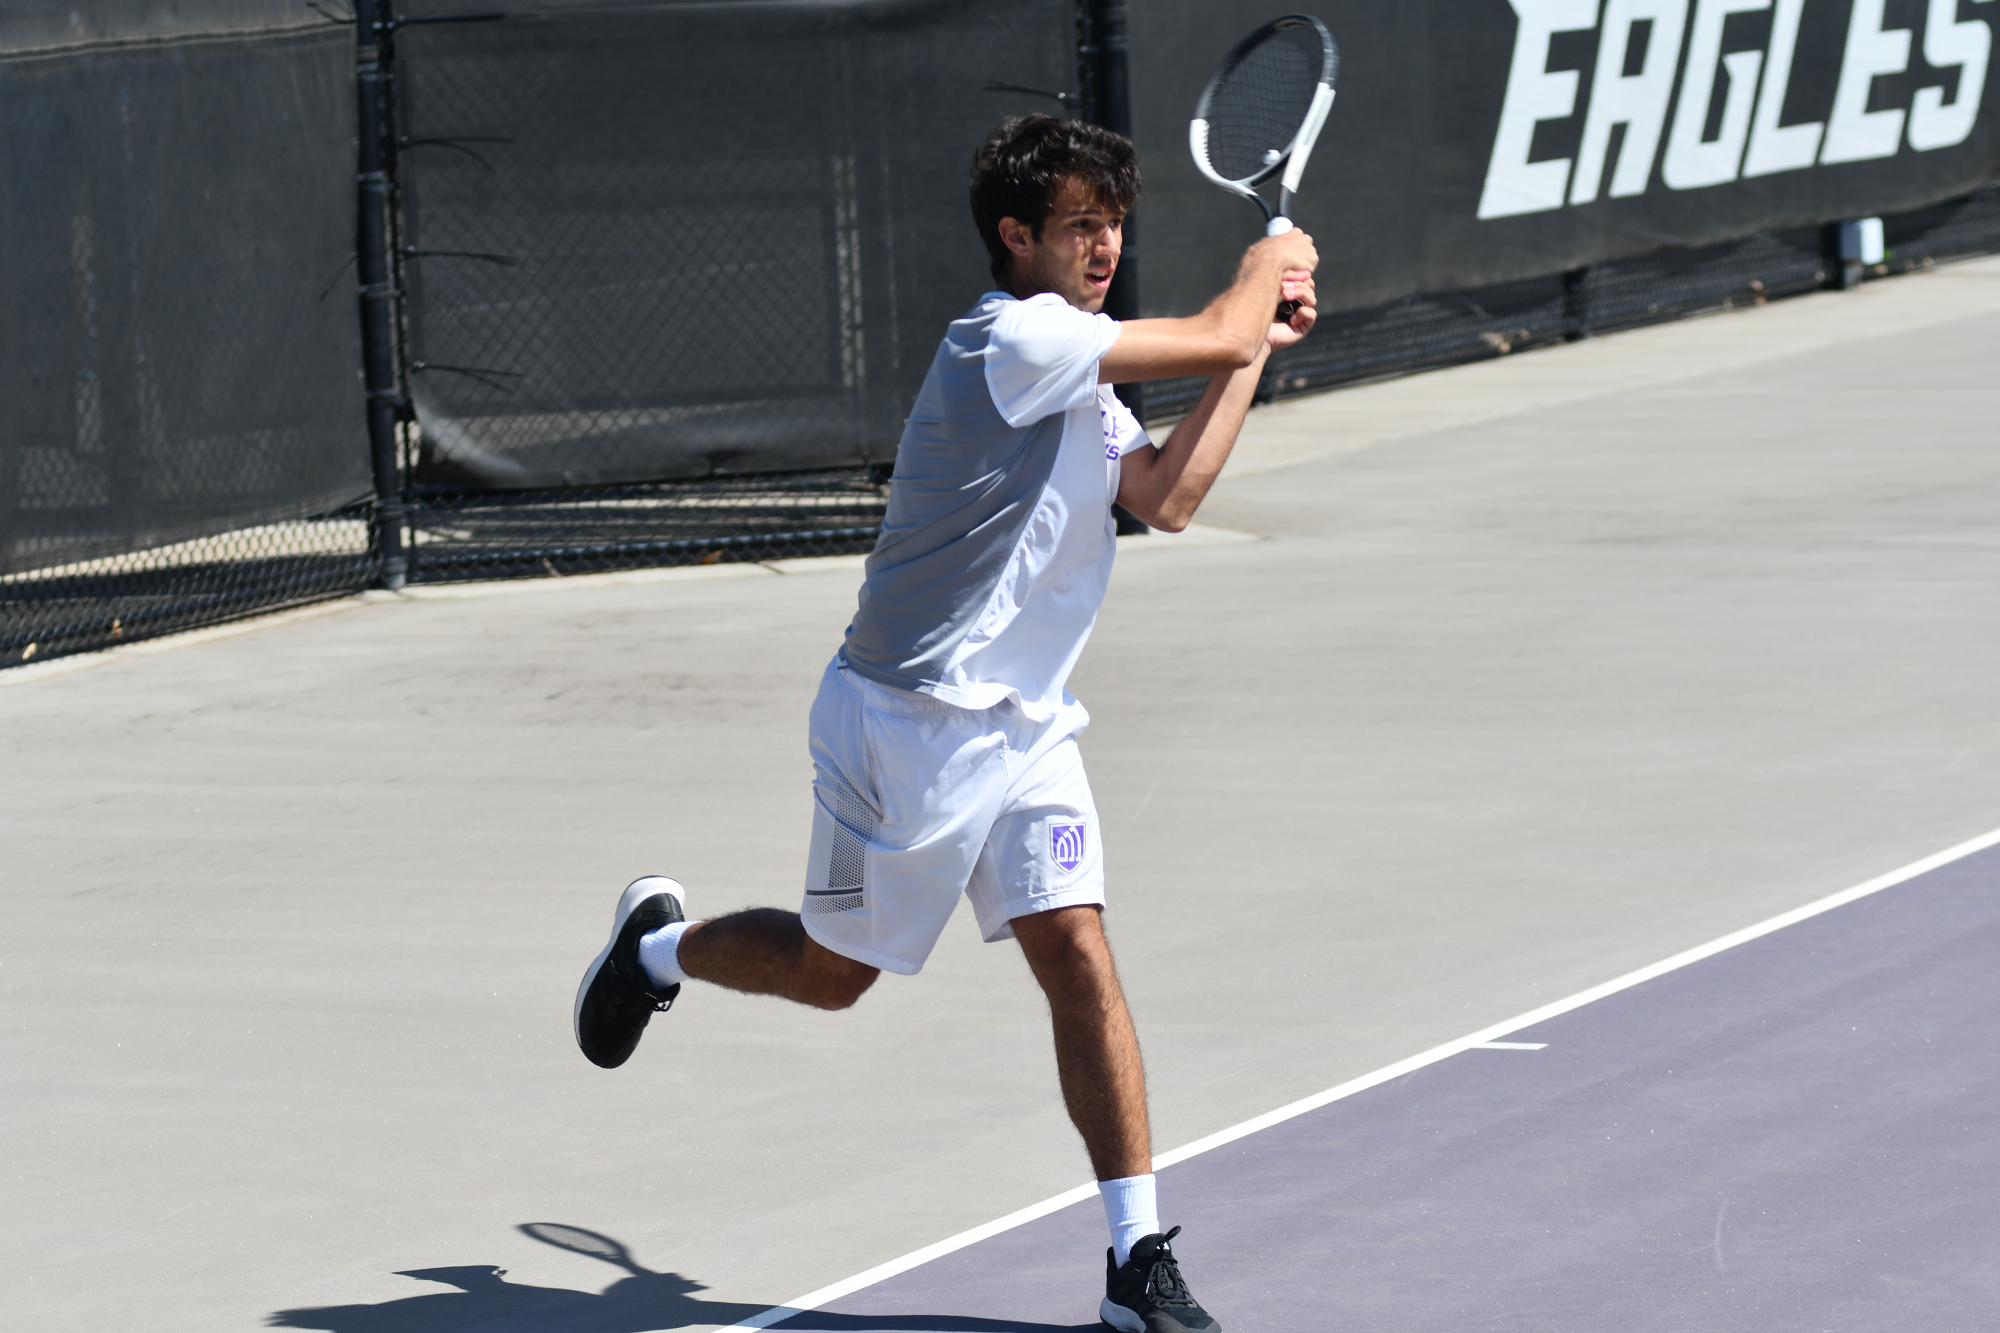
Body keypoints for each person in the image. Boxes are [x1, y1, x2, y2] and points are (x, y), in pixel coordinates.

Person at [573, 113, 1316, 1333]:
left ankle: (1138, 1260)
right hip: (901, 725)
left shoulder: (1075, 350)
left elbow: (1164, 495)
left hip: (1025, 727)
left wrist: (1249, 356)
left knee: (1076, 950)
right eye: (1080, 224)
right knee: (834, 976)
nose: (1104, 245)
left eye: (1112, 222)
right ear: (1014, 236)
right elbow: (1221, 322)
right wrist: (1266, 261)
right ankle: (656, 950)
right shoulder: (1012, 338)